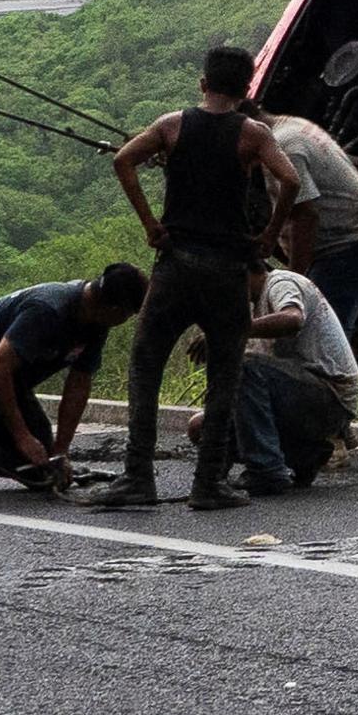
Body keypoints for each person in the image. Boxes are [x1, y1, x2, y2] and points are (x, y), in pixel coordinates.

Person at [84, 43, 305, 512]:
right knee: (224, 376)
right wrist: (267, 236)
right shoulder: (252, 134)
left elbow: (123, 160)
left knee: (146, 366)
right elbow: (291, 181)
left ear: (202, 83)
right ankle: (209, 484)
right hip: (228, 271)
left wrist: (150, 225)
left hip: (176, 265)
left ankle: (138, 477)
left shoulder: (172, 124)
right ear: (246, 90)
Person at [0, 265, 147, 500]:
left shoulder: (96, 323)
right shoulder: (48, 308)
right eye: (128, 314)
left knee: (42, 472)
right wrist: (22, 437)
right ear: (113, 308)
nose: (125, 320)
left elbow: (78, 386)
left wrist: (60, 452)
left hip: (6, 380)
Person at [226, 210, 358, 492]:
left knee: (245, 367)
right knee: (200, 427)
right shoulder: (254, 306)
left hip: (330, 395)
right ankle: (303, 454)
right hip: (297, 398)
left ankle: (267, 470)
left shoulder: (280, 283)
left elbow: (293, 318)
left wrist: (237, 329)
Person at [270, 112, 358, 331]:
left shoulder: (284, 147)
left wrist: (294, 288)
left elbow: (305, 219)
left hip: (346, 244)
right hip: (351, 240)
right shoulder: (291, 126)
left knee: (316, 336)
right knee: (319, 336)